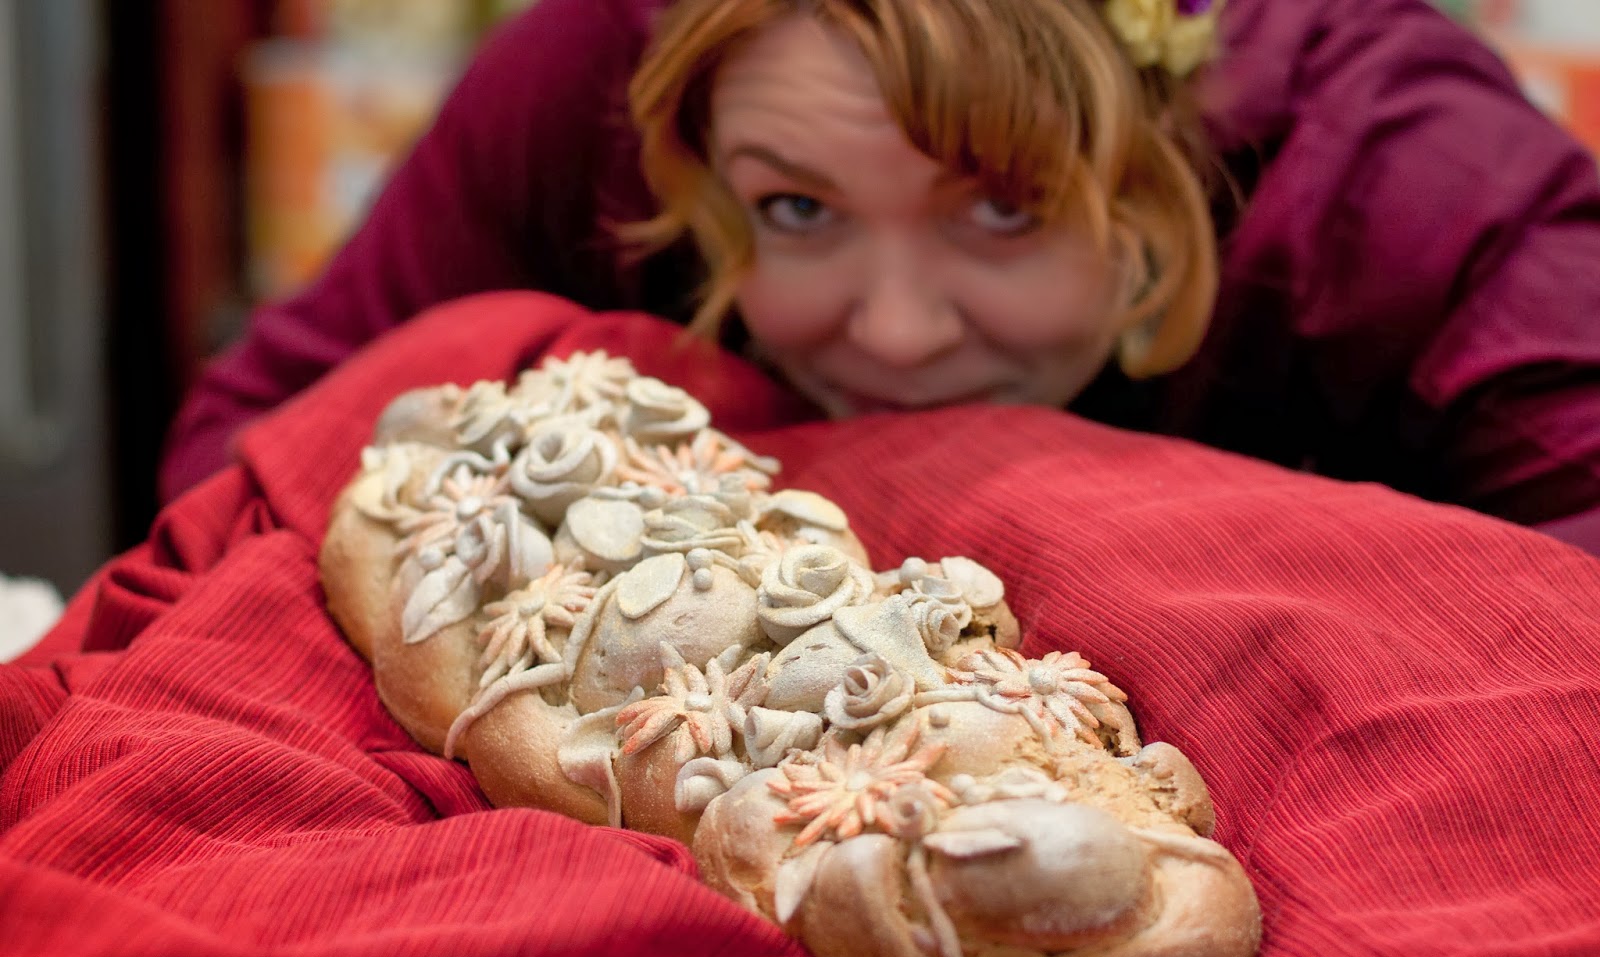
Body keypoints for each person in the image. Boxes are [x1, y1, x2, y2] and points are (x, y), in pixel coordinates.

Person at [160, 0, 1600, 554]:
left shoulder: (1392, 165)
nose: (898, 334)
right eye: (796, 211)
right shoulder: (588, 84)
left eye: (1006, 211)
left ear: (1165, 162)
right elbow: (247, 464)